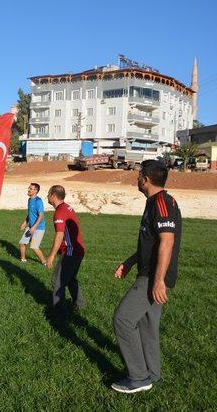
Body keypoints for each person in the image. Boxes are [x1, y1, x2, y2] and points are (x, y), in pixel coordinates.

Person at [111, 160, 182, 394]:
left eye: (139, 174)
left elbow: (167, 240)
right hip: (149, 273)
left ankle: (139, 376)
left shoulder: (161, 203)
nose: (137, 178)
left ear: (147, 179)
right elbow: (151, 242)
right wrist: (129, 262)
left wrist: (158, 280)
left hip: (152, 276)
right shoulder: (155, 202)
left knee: (122, 319)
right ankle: (153, 375)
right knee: (147, 325)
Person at [45, 185, 86, 321]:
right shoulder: (67, 207)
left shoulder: (60, 212)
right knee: (70, 279)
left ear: (53, 195)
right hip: (78, 250)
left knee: (57, 281)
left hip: (71, 251)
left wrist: (51, 255)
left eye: (48, 194)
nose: (47, 197)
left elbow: (59, 234)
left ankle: (59, 316)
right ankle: (80, 304)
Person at [18, 182, 47, 265]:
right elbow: (30, 214)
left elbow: (41, 215)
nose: (28, 190)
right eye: (29, 188)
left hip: (38, 228)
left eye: (30, 189)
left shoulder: (38, 201)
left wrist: (34, 227)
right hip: (30, 227)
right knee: (22, 243)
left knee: (34, 247)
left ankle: (45, 263)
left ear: (35, 191)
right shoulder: (30, 200)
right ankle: (23, 260)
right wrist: (25, 223)